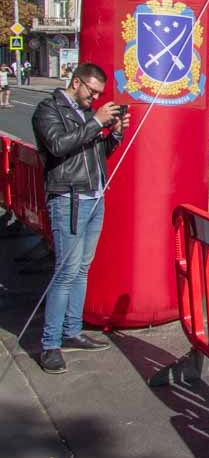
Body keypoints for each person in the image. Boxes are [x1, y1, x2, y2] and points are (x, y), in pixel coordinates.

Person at [32, 62, 129, 374]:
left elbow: (97, 154)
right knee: (65, 271)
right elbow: (58, 146)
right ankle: (50, 345)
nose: (95, 98)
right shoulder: (48, 110)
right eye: (92, 91)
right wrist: (95, 122)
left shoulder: (86, 114)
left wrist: (114, 133)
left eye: (99, 94)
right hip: (69, 198)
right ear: (76, 83)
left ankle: (72, 330)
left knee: (82, 269)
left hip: (93, 195)